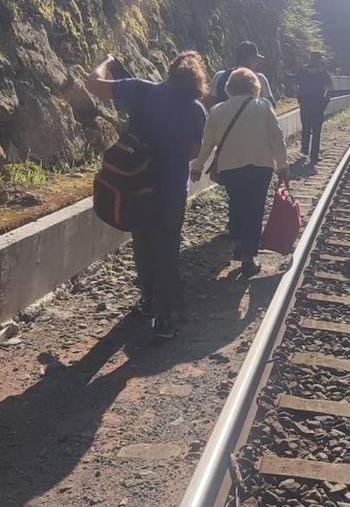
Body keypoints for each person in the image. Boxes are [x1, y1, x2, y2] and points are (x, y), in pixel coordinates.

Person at [84, 50, 208, 340]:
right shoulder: (196, 110)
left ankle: (147, 299)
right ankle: (164, 318)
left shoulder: (141, 90)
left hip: (137, 185)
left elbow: (92, 84)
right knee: (167, 250)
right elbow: (193, 152)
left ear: (170, 71)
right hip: (172, 191)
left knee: (142, 242)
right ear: (196, 81)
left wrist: (108, 60)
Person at [191, 68, 289, 277]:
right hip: (261, 167)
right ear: (255, 86)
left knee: (237, 204)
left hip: (231, 168)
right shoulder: (263, 106)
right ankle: (248, 257)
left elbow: (207, 141)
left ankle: (240, 244)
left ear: (229, 88)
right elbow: (276, 137)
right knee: (255, 209)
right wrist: (283, 167)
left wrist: (197, 166)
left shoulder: (218, 110)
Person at [206, 40, 275, 108]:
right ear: (250, 59)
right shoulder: (259, 78)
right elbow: (271, 104)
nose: (256, 62)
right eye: (255, 58)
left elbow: (210, 103)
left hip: (225, 118)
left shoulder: (219, 76)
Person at [296, 51, 333, 164]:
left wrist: (300, 97)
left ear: (310, 59)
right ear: (320, 60)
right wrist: (325, 100)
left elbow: (295, 84)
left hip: (305, 102)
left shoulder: (302, 70)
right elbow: (330, 87)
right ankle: (314, 154)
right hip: (318, 103)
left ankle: (304, 150)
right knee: (316, 130)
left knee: (306, 127)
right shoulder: (323, 72)